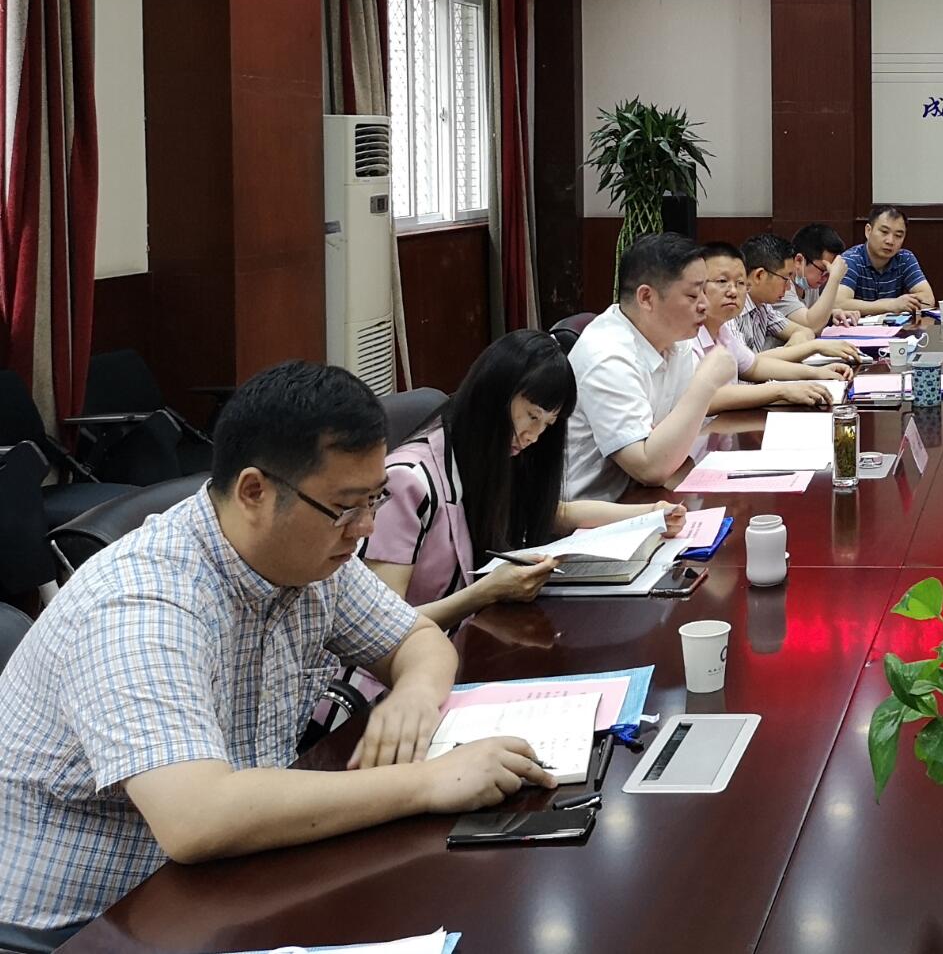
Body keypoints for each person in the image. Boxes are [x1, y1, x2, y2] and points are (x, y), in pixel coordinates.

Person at [0, 362, 555, 942]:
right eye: (347, 507)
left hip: (225, 879)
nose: (365, 528)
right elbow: (197, 817)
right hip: (86, 925)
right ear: (254, 492)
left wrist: (414, 695)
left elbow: (416, 639)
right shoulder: (142, 605)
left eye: (375, 499)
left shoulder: (308, 554)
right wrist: (428, 783)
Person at [361, 330, 690, 629]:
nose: (534, 435)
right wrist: (486, 592)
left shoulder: (491, 454)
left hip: (473, 638)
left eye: (547, 425)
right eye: (532, 416)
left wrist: (651, 515)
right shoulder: (407, 481)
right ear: (496, 393)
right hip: (411, 665)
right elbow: (383, 626)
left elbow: (555, 513)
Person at [562, 233, 737, 500]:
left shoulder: (677, 342)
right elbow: (649, 468)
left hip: (648, 498)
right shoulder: (607, 355)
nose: (705, 305)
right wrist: (705, 383)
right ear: (646, 297)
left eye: (704, 290)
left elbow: (678, 443)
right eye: (693, 294)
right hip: (596, 511)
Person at [695, 241, 852, 411]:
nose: (733, 291)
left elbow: (754, 366)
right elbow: (706, 398)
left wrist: (817, 373)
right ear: (697, 286)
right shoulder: (688, 338)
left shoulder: (722, 332)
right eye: (722, 281)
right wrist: (782, 391)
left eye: (740, 283)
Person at [836, 205, 937, 313]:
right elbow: (838, 303)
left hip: (893, 324)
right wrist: (890, 305)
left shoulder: (905, 259)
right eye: (884, 232)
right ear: (868, 231)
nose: (890, 241)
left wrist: (904, 304)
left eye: (898, 235)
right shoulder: (850, 260)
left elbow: (928, 300)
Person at [783, 223, 860, 332]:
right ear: (799, 260)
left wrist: (831, 314)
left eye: (829, 273)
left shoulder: (810, 283)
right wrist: (834, 278)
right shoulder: (781, 286)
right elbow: (811, 326)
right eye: (823, 270)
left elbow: (813, 314)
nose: (825, 278)